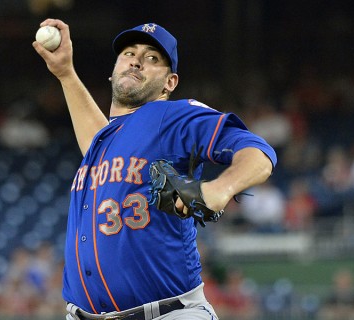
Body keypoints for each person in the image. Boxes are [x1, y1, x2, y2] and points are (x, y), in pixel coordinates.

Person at [33, 19, 277, 320]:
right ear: (113, 71)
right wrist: (66, 74)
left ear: (169, 83)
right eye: (129, 53)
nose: (136, 60)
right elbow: (96, 140)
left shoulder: (173, 116)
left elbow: (259, 153)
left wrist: (219, 188)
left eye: (152, 58)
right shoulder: (107, 141)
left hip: (166, 313)